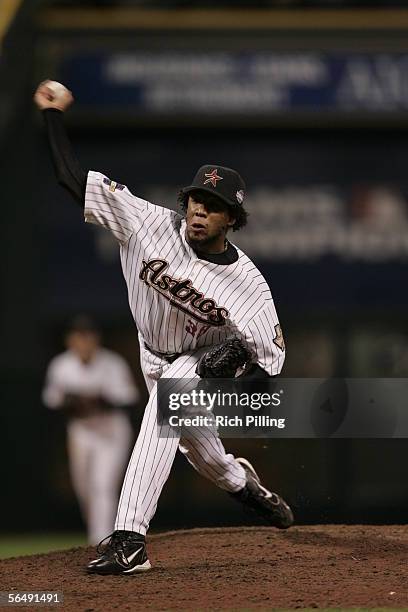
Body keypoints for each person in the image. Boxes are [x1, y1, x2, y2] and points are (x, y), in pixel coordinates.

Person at [34, 79, 293, 576]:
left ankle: (130, 540)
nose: (199, 209)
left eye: (213, 205)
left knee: (171, 398)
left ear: (232, 219)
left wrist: (233, 368)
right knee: (211, 463)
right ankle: (247, 487)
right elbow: (71, 178)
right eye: (196, 199)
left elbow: (269, 370)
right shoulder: (148, 223)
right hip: (151, 353)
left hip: (197, 365)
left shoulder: (250, 287)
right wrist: (52, 116)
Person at [42, 315, 140, 545]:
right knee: (83, 487)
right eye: (79, 336)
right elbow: (52, 400)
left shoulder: (112, 363)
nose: (84, 341)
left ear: (96, 339)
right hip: (81, 431)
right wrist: (74, 401)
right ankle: (98, 532)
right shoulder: (61, 365)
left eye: (88, 336)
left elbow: (128, 398)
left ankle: (101, 540)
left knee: (102, 485)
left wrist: (98, 399)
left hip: (111, 431)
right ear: (70, 341)